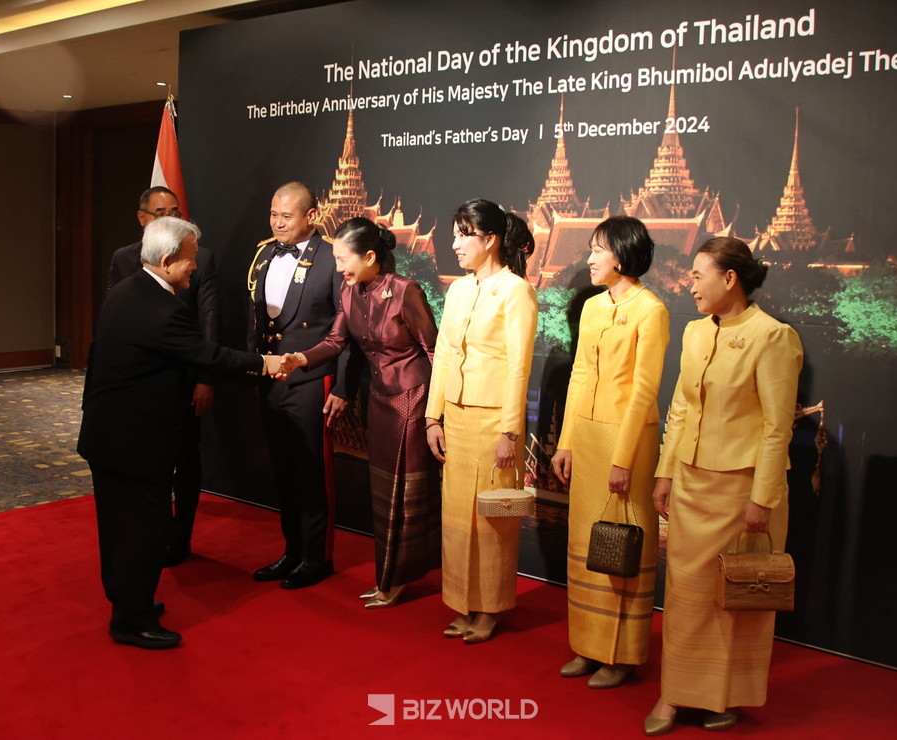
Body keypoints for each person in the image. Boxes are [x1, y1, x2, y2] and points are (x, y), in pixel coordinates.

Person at [78, 217, 282, 649]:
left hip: (109, 436)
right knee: (145, 530)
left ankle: (130, 601)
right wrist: (263, 363)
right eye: (190, 259)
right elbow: (206, 355)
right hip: (135, 443)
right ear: (168, 260)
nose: (196, 266)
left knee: (118, 528)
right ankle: (131, 621)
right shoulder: (164, 310)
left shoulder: (129, 290)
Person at [644, 237, 803, 735]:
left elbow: (779, 428)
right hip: (691, 482)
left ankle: (722, 697)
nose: (688, 284)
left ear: (729, 278)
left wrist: (763, 497)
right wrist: (665, 471)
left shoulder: (773, 337)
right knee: (687, 597)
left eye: (697, 275)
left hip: (742, 491)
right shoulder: (693, 333)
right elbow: (681, 407)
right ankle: (673, 694)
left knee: (733, 602)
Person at [276, 217, 441, 607]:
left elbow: (435, 351)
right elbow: (335, 340)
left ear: (369, 256)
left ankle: (397, 579)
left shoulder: (406, 291)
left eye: (343, 259)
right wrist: (300, 358)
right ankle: (388, 576)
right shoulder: (352, 292)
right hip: (379, 400)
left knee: (406, 490)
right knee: (383, 490)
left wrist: (438, 411)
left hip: (412, 398)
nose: (338, 268)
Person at [551, 216, 669, 688]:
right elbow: (580, 374)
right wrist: (566, 442)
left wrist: (623, 457)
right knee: (585, 547)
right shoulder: (594, 307)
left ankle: (621, 656)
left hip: (629, 441)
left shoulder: (651, 310)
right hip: (588, 435)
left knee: (622, 546)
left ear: (621, 254)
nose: (590, 259)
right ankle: (588, 646)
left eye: (597, 250)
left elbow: (645, 390)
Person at [425, 199, 538, 644]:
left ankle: (489, 608)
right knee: (456, 517)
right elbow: (444, 357)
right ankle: (461, 602)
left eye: (462, 234)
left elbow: (518, 366)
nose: (454, 243)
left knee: (491, 520)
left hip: (496, 422)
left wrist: (511, 430)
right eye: (454, 234)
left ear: (489, 239)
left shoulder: (516, 291)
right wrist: (433, 415)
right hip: (457, 415)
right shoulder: (457, 290)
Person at [107, 186, 219, 567]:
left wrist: (206, 377)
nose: (171, 217)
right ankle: (150, 546)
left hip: (188, 380)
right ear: (142, 218)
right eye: (160, 212)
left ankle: (180, 539)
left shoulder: (200, 258)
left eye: (176, 210)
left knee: (187, 461)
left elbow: (209, 324)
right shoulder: (125, 261)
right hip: (144, 392)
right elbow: (112, 328)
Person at [248, 182, 352, 589]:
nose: (277, 223)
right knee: (283, 470)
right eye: (273, 214)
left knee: (312, 470)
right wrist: (252, 367)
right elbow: (253, 321)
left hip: (312, 378)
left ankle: (316, 557)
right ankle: (291, 551)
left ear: (311, 215)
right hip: (270, 378)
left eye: (286, 216)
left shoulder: (331, 258)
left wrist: (342, 387)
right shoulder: (262, 254)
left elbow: (346, 332)